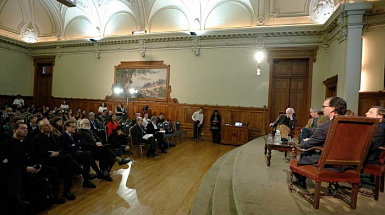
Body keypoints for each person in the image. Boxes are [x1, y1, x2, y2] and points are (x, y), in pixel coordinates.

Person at [3, 122, 66, 206]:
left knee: (52, 171)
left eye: (26, 129)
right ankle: (34, 203)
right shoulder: (7, 144)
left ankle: (52, 196)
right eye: (22, 128)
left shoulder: (28, 142)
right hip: (21, 170)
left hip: (34, 167)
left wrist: (39, 165)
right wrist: (26, 168)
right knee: (30, 177)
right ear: (14, 130)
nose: (26, 130)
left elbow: (36, 155)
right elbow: (11, 162)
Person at [293, 97, 347, 189]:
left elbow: (306, 145)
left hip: (328, 163)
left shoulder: (325, 127)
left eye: (324, 106)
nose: (322, 109)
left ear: (332, 108)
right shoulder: (355, 125)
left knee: (304, 153)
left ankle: (300, 180)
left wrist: (306, 142)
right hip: (348, 163)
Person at [33, 118, 84, 200]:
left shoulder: (54, 136)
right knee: (67, 158)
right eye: (46, 125)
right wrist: (53, 153)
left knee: (68, 167)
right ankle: (81, 171)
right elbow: (41, 152)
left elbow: (61, 148)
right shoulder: (37, 139)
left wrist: (58, 153)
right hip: (47, 160)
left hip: (58, 158)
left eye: (49, 124)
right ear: (40, 128)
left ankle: (67, 191)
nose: (49, 126)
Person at [58, 120, 109, 187]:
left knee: (87, 157)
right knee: (87, 154)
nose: (75, 128)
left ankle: (87, 180)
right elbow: (69, 148)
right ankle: (97, 173)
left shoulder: (75, 134)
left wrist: (75, 145)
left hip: (78, 153)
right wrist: (77, 146)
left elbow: (82, 143)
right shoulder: (63, 136)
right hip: (70, 156)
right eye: (72, 127)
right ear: (67, 127)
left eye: (75, 127)